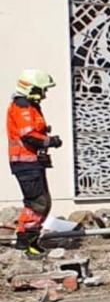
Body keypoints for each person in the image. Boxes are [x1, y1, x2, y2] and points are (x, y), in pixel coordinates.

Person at [7, 70, 62, 258]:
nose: (44, 94)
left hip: (32, 163)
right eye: (42, 90)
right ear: (31, 88)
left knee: (42, 202)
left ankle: (27, 241)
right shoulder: (22, 107)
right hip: (25, 163)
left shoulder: (30, 105)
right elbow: (29, 136)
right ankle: (28, 243)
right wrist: (51, 141)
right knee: (37, 203)